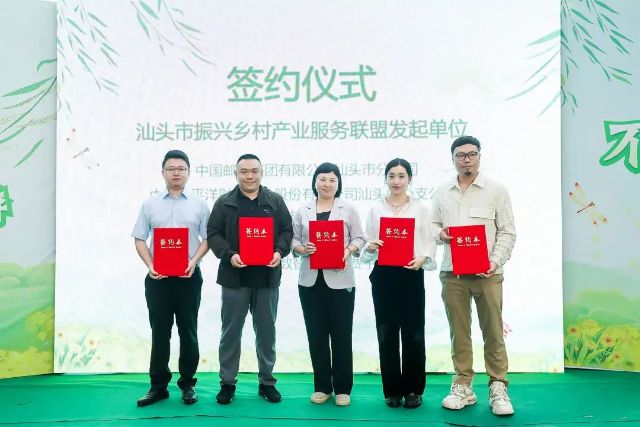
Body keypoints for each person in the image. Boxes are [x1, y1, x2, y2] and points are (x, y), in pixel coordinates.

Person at [431, 136, 516, 416]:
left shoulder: (496, 190)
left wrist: (494, 261)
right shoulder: (442, 191)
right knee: (459, 331)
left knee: (493, 331)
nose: (466, 159)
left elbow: (507, 231)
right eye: (461, 155)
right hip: (452, 273)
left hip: (487, 273)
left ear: (479, 156)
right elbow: (432, 225)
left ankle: (498, 386)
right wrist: (440, 234)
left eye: (472, 154)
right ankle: (463, 386)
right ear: (453, 159)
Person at [207, 154, 293, 404]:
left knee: (266, 333)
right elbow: (213, 233)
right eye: (244, 171)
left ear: (261, 173)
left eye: (254, 171)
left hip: (267, 279)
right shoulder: (225, 203)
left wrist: (279, 252)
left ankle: (267, 382)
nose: (249, 176)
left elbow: (287, 231)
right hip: (234, 278)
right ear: (236, 174)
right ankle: (227, 383)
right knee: (231, 333)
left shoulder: (275, 201)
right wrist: (229, 254)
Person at [132, 150, 210, 406]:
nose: (176, 173)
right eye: (171, 168)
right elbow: (140, 238)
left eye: (181, 168)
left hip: (188, 277)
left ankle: (188, 384)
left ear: (188, 172)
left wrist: (193, 261)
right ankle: (158, 387)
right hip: (158, 279)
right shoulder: (150, 204)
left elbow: (208, 239)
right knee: (160, 332)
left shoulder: (199, 205)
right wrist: (150, 264)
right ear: (163, 172)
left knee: (188, 331)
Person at [362, 158, 436, 409]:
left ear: (409, 179)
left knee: (414, 332)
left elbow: (428, 243)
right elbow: (368, 246)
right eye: (391, 176)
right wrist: (370, 247)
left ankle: (413, 389)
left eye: (401, 176)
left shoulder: (420, 209)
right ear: (385, 179)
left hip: (410, 273)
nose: (396, 181)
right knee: (387, 332)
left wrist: (423, 258)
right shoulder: (376, 209)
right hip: (384, 275)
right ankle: (392, 390)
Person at [291, 162, 366, 407]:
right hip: (310, 281)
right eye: (322, 179)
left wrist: (348, 250)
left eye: (332, 180)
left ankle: (343, 388)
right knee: (317, 335)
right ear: (315, 182)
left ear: (338, 183)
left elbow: (359, 237)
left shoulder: (348, 209)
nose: (327, 184)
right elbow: (293, 239)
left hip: (340, 280)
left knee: (342, 335)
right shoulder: (303, 209)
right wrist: (302, 248)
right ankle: (322, 386)